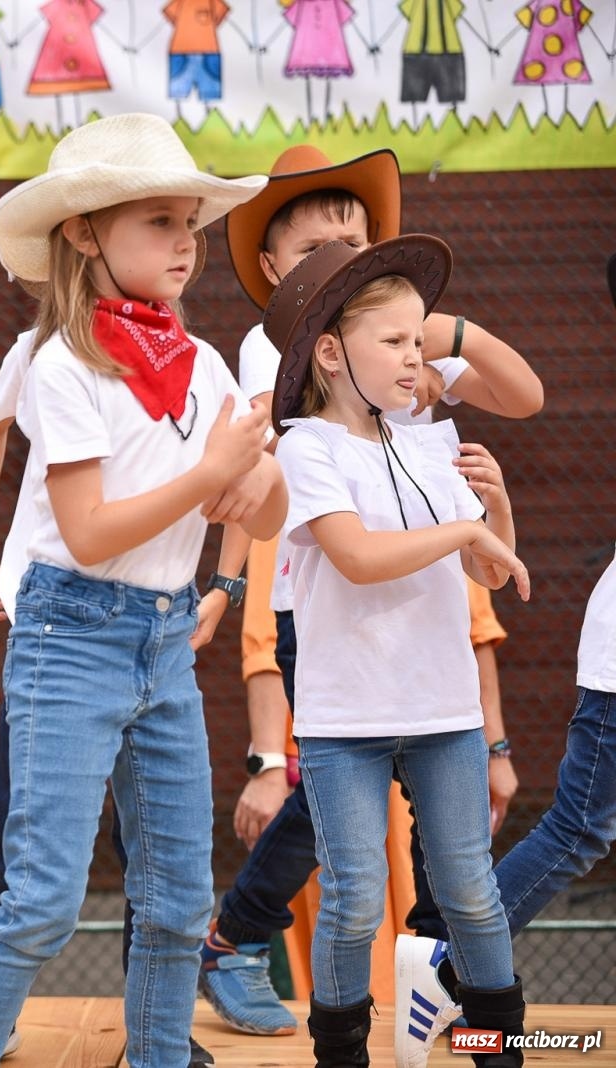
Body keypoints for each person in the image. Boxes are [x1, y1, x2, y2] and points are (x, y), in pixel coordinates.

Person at [0, 113, 284, 1067]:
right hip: (69, 636)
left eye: (191, 225)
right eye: (160, 222)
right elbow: (88, 531)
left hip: (166, 642)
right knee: (42, 898)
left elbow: (261, 508)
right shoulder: (61, 362)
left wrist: (262, 465)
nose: (185, 243)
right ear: (86, 233)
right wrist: (212, 466)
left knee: (178, 901)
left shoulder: (204, 363)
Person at [201, 143, 543, 1039]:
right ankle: (241, 939)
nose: (341, 253)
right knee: (339, 822)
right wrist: (229, 582)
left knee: (456, 873)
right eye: (318, 245)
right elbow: (262, 486)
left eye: (354, 236)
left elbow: (525, 397)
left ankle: (434, 993)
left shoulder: (412, 362)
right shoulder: (281, 365)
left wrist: (441, 334)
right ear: (282, 277)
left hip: (431, 578)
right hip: (325, 572)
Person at [265, 234, 529, 1065]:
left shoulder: (428, 440)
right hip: (346, 719)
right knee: (351, 901)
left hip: (443, 710)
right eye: (396, 342)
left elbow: (489, 560)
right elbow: (358, 558)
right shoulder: (306, 444)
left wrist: (499, 511)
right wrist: (466, 526)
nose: (416, 359)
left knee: (471, 899)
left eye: (421, 343)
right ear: (335, 355)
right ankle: (341, 1054)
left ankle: (496, 1050)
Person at [388, 252, 616, 1067]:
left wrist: (448, 333)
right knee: (344, 862)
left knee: (469, 847)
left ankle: (463, 994)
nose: (405, 352)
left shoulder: (425, 374)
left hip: (451, 614)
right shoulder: (322, 397)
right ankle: (435, 974)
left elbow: (525, 394)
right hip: (370, 638)